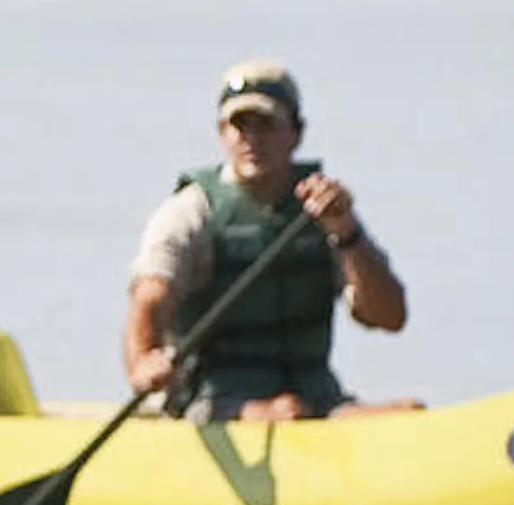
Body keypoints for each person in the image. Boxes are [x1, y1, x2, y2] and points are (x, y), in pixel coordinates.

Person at [123, 58, 413, 421]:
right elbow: (150, 298)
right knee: (286, 411)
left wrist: (347, 234)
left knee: (408, 413)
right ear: (222, 133)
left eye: (266, 125)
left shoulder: (324, 208)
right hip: (210, 401)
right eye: (239, 126)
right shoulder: (188, 213)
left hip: (315, 395)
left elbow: (389, 317)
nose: (252, 139)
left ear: (296, 132)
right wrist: (145, 361)